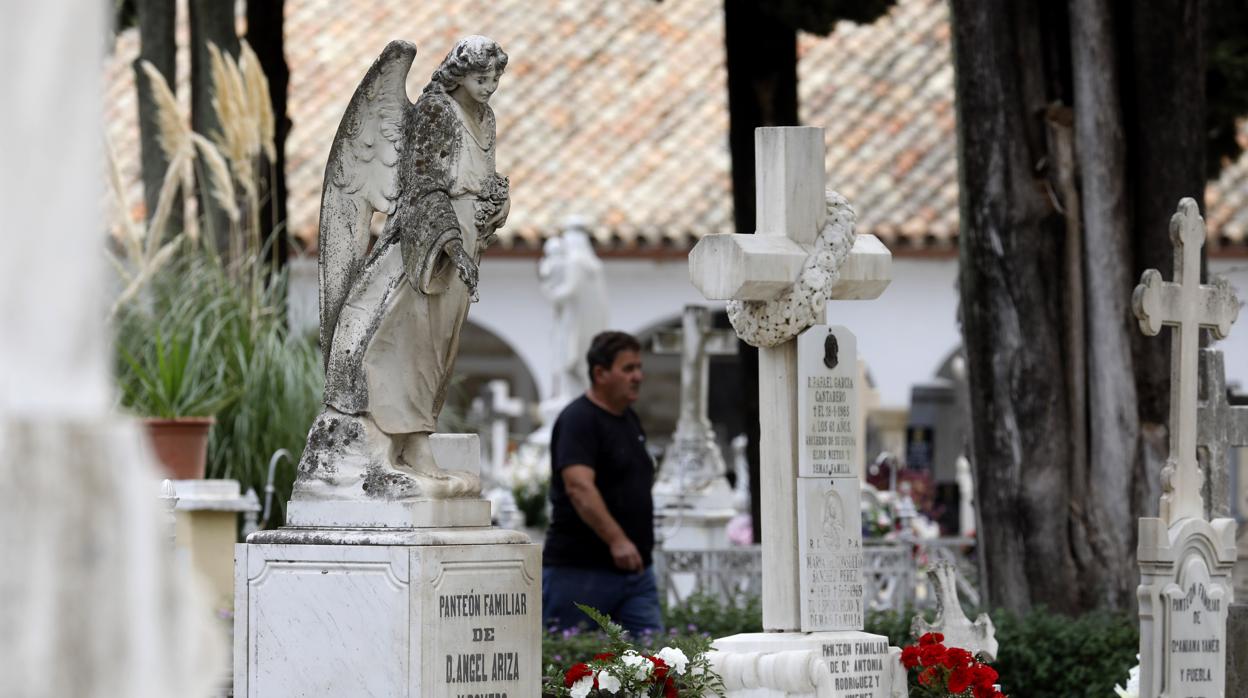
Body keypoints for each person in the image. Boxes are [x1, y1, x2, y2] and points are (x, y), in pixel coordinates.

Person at [298, 36, 510, 499]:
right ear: (459, 73)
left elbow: (478, 185)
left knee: (439, 349)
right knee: (401, 344)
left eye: (495, 77)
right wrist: (451, 243)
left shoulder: (486, 118)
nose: (490, 87)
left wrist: (494, 207)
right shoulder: (436, 111)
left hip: (462, 247)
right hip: (424, 250)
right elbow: (423, 188)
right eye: (481, 77)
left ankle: (415, 442)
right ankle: (379, 451)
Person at [542, 331, 661, 636]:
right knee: (571, 666)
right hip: (581, 571)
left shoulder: (629, 419)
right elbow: (579, 487)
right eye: (628, 369)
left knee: (657, 667)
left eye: (639, 367)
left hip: (636, 573)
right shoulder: (578, 420)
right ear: (600, 373)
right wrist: (617, 540)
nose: (638, 376)